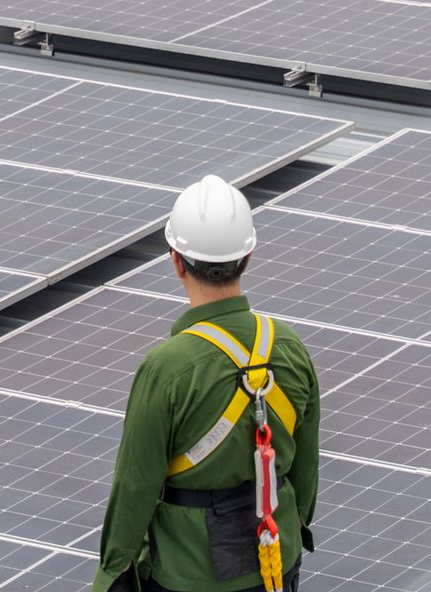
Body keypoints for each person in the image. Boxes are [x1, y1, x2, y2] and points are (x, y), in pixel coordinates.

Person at [94, 176, 321, 592]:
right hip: (275, 561)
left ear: (175, 260)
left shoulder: (166, 368)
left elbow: (135, 486)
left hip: (186, 574)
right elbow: (304, 471)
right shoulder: (288, 346)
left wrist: (112, 574)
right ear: (247, 256)